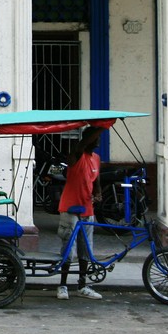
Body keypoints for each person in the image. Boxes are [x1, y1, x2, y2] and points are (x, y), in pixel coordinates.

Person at [56, 126, 104, 300]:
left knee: (86, 250)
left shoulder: (96, 159)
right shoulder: (76, 155)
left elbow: (96, 181)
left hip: (87, 209)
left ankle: (82, 285)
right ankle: (62, 285)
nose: (98, 141)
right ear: (88, 139)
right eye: (95, 138)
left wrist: (98, 194)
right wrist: (101, 126)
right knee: (69, 249)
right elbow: (81, 146)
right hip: (70, 208)